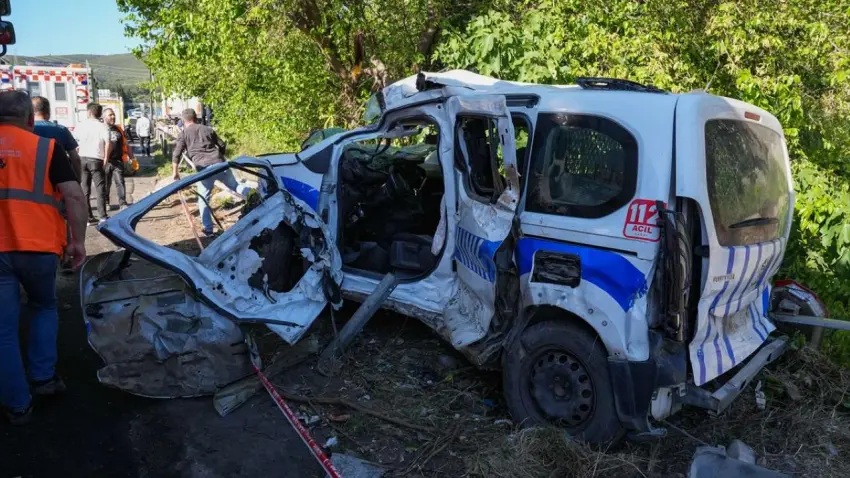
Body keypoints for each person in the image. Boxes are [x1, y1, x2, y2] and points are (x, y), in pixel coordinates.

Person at [0, 90, 88, 424]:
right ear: (30, 119)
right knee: (43, 306)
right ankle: (43, 378)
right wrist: (77, 242)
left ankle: (17, 405)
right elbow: (74, 197)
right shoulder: (45, 148)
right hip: (38, 247)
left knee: (3, 331)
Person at [172, 108, 250, 236]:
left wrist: (175, 173)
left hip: (204, 169)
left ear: (183, 120)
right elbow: (222, 144)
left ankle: (208, 229)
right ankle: (257, 196)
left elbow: (176, 154)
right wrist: (221, 158)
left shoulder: (184, 133)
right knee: (236, 186)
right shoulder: (207, 129)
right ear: (195, 118)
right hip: (220, 164)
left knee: (203, 199)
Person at [74, 103, 111, 224]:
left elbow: (75, 142)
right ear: (100, 114)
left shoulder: (80, 125)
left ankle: (88, 217)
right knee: (100, 189)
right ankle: (102, 217)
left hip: (82, 158)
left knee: (85, 189)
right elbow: (108, 143)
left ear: (89, 112)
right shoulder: (103, 127)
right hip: (96, 159)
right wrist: (106, 158)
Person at [31, 96, 81, 180]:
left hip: (31, 178)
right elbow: (75, 158)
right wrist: (78, 178)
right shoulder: (61, 130)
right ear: (48, 111)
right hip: (58, 181)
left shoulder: (25, 130)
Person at [103, 108, 134, 210]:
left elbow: (126, 144)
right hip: (105, 162)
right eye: (110, 115)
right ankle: (106, 202)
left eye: (113, 115)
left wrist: (132, 158)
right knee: (106, 183)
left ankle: (122, 203)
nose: (113, 117)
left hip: (118, 160)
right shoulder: (101, 129)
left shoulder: (119, 129)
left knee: (120, 182)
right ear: (104, 117)